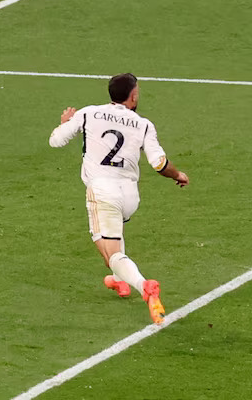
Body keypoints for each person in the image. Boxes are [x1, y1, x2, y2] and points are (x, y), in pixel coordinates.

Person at [49, 73, 189, 325]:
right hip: (130, 196)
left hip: (102, 191)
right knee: (108, 236)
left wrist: (64, 123)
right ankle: (119, 281)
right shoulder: (144, 124)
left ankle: (144, 286)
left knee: (109, 249)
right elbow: (159, 163)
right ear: (133, 96)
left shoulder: (89, 113)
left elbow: (56, 141)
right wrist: (177, 174)